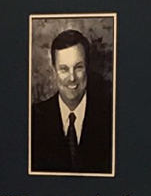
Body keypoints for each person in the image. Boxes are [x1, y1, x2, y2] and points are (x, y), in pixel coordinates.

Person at [29, 26, 113, 174]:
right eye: (64, 69)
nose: (72, 78)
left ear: (87, 67)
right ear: (54, 71)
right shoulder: (34, 118)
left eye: (78, 67)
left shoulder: (110, 115)